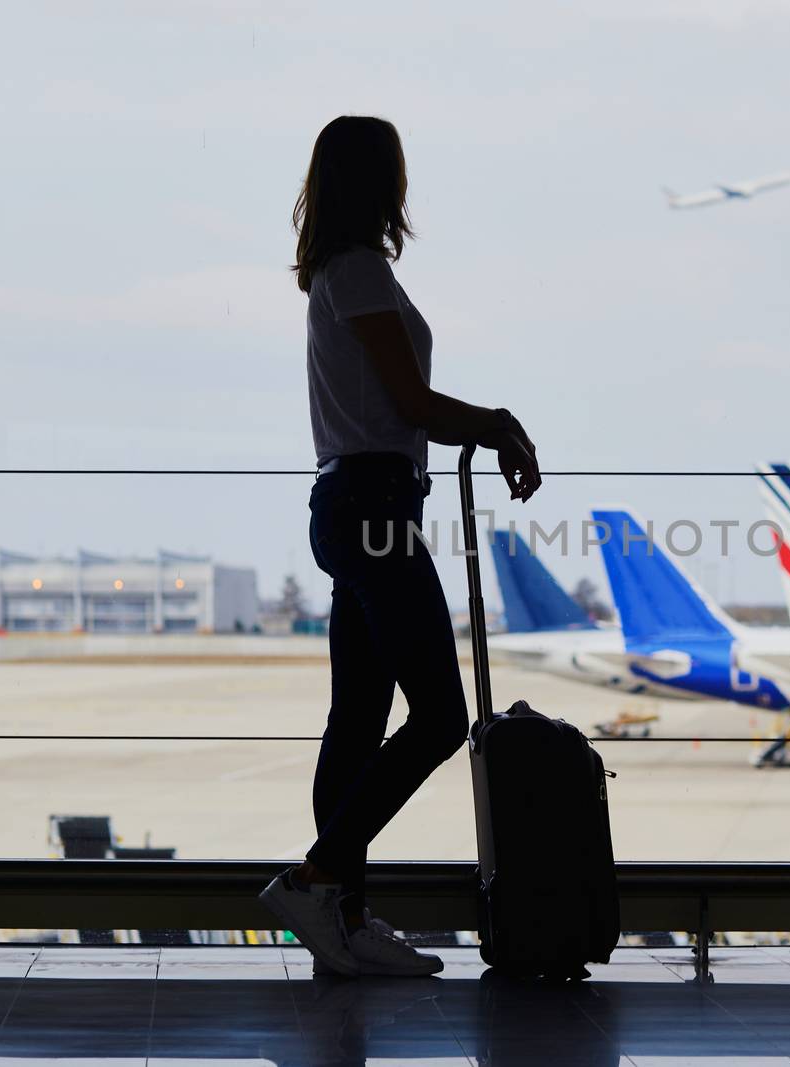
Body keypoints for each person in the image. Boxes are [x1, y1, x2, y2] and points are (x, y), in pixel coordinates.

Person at [260, 116, 542, 978]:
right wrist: (497, 424)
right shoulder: (361, 272)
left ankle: (339, 918)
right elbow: (413, 403)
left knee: (357, 722)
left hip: (355, 504)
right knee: (441, 717)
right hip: (376, 506)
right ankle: (316, 883)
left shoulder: (333, 274)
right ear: (380, 182)